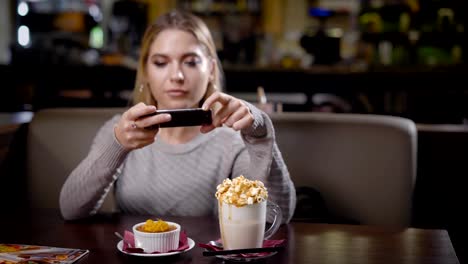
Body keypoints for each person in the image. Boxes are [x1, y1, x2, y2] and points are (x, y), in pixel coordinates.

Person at [59, 10, 296, 223]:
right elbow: (70, 209)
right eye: (161, 63)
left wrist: (262, 137)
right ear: (146, 71)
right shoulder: (121, 131)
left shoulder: (231, 141)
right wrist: (117, 144)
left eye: (191, 62)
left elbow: (279, 215)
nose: (177, 75)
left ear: (211, 70)